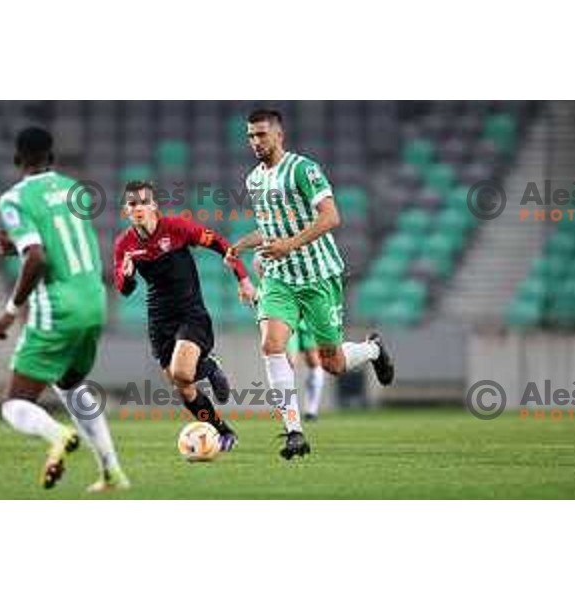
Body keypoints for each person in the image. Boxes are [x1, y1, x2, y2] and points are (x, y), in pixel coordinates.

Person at [227, 109, 395, 459]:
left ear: (278, 135)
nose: (255, 142)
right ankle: (294, 433)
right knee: (272, 345)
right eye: (250, 136)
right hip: (279, 278)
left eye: (261, 135)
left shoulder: (304, 169)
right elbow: (272, 228)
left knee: (332, 363)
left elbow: (331, 216)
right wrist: (243, 244)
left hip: (319, 276)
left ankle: (373, 349)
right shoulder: (253, 180)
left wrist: (290, 244)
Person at [0, 126, 129, 492]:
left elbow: (36, 257)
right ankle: (111, 472)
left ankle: (59, 435)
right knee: (70, 383)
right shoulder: (73, 189)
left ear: (18, 159)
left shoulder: (14, 198)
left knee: (14, 403)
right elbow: (53, 242)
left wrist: (9, 310)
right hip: (94, 301)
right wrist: (17, 246)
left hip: (58, 307)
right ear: (52, 157)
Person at [114, 181, 255, 450]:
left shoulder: (176, 228)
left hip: (190, 312)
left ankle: (209, 367)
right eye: (133, 204)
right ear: (126, 210)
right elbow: (123, 288)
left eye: (144, 202)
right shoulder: (125, 244)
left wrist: (243, 278)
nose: (139, 208)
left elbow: (218, 242)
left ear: (154, 206)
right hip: (159, 320)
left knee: (182, 371)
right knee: (183, 386)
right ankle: (223, 431)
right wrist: (128, 277)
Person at [253, 255, 325, 420]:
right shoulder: (265, 249)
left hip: (305, 314)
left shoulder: (297, 249)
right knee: (289, 361)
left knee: (314, 361)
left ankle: (311, 410)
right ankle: (290, 411)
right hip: (285, 313)